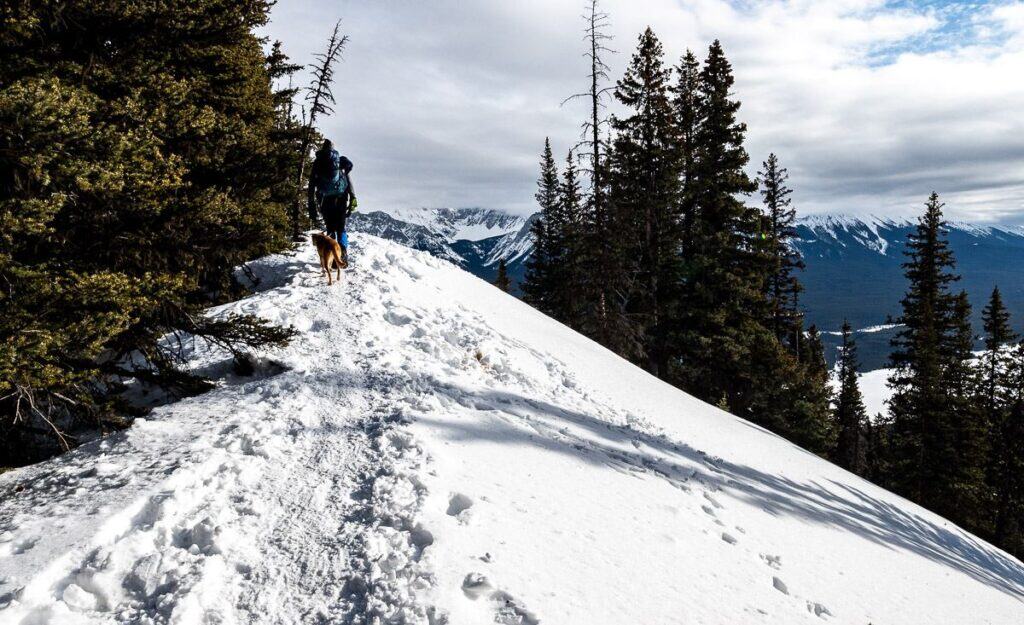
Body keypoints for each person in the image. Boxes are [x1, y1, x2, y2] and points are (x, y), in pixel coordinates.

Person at [308, 139, 358, 258]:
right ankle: (343, 251)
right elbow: (348, 180)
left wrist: (312, 205)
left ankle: (331, 254)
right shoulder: (340, 161)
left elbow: (311, 185)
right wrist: (353, 197)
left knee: (330, 228)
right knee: (341, 228)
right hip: (341, 197)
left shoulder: (318, 162)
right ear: (333, 148)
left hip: (325, 199)